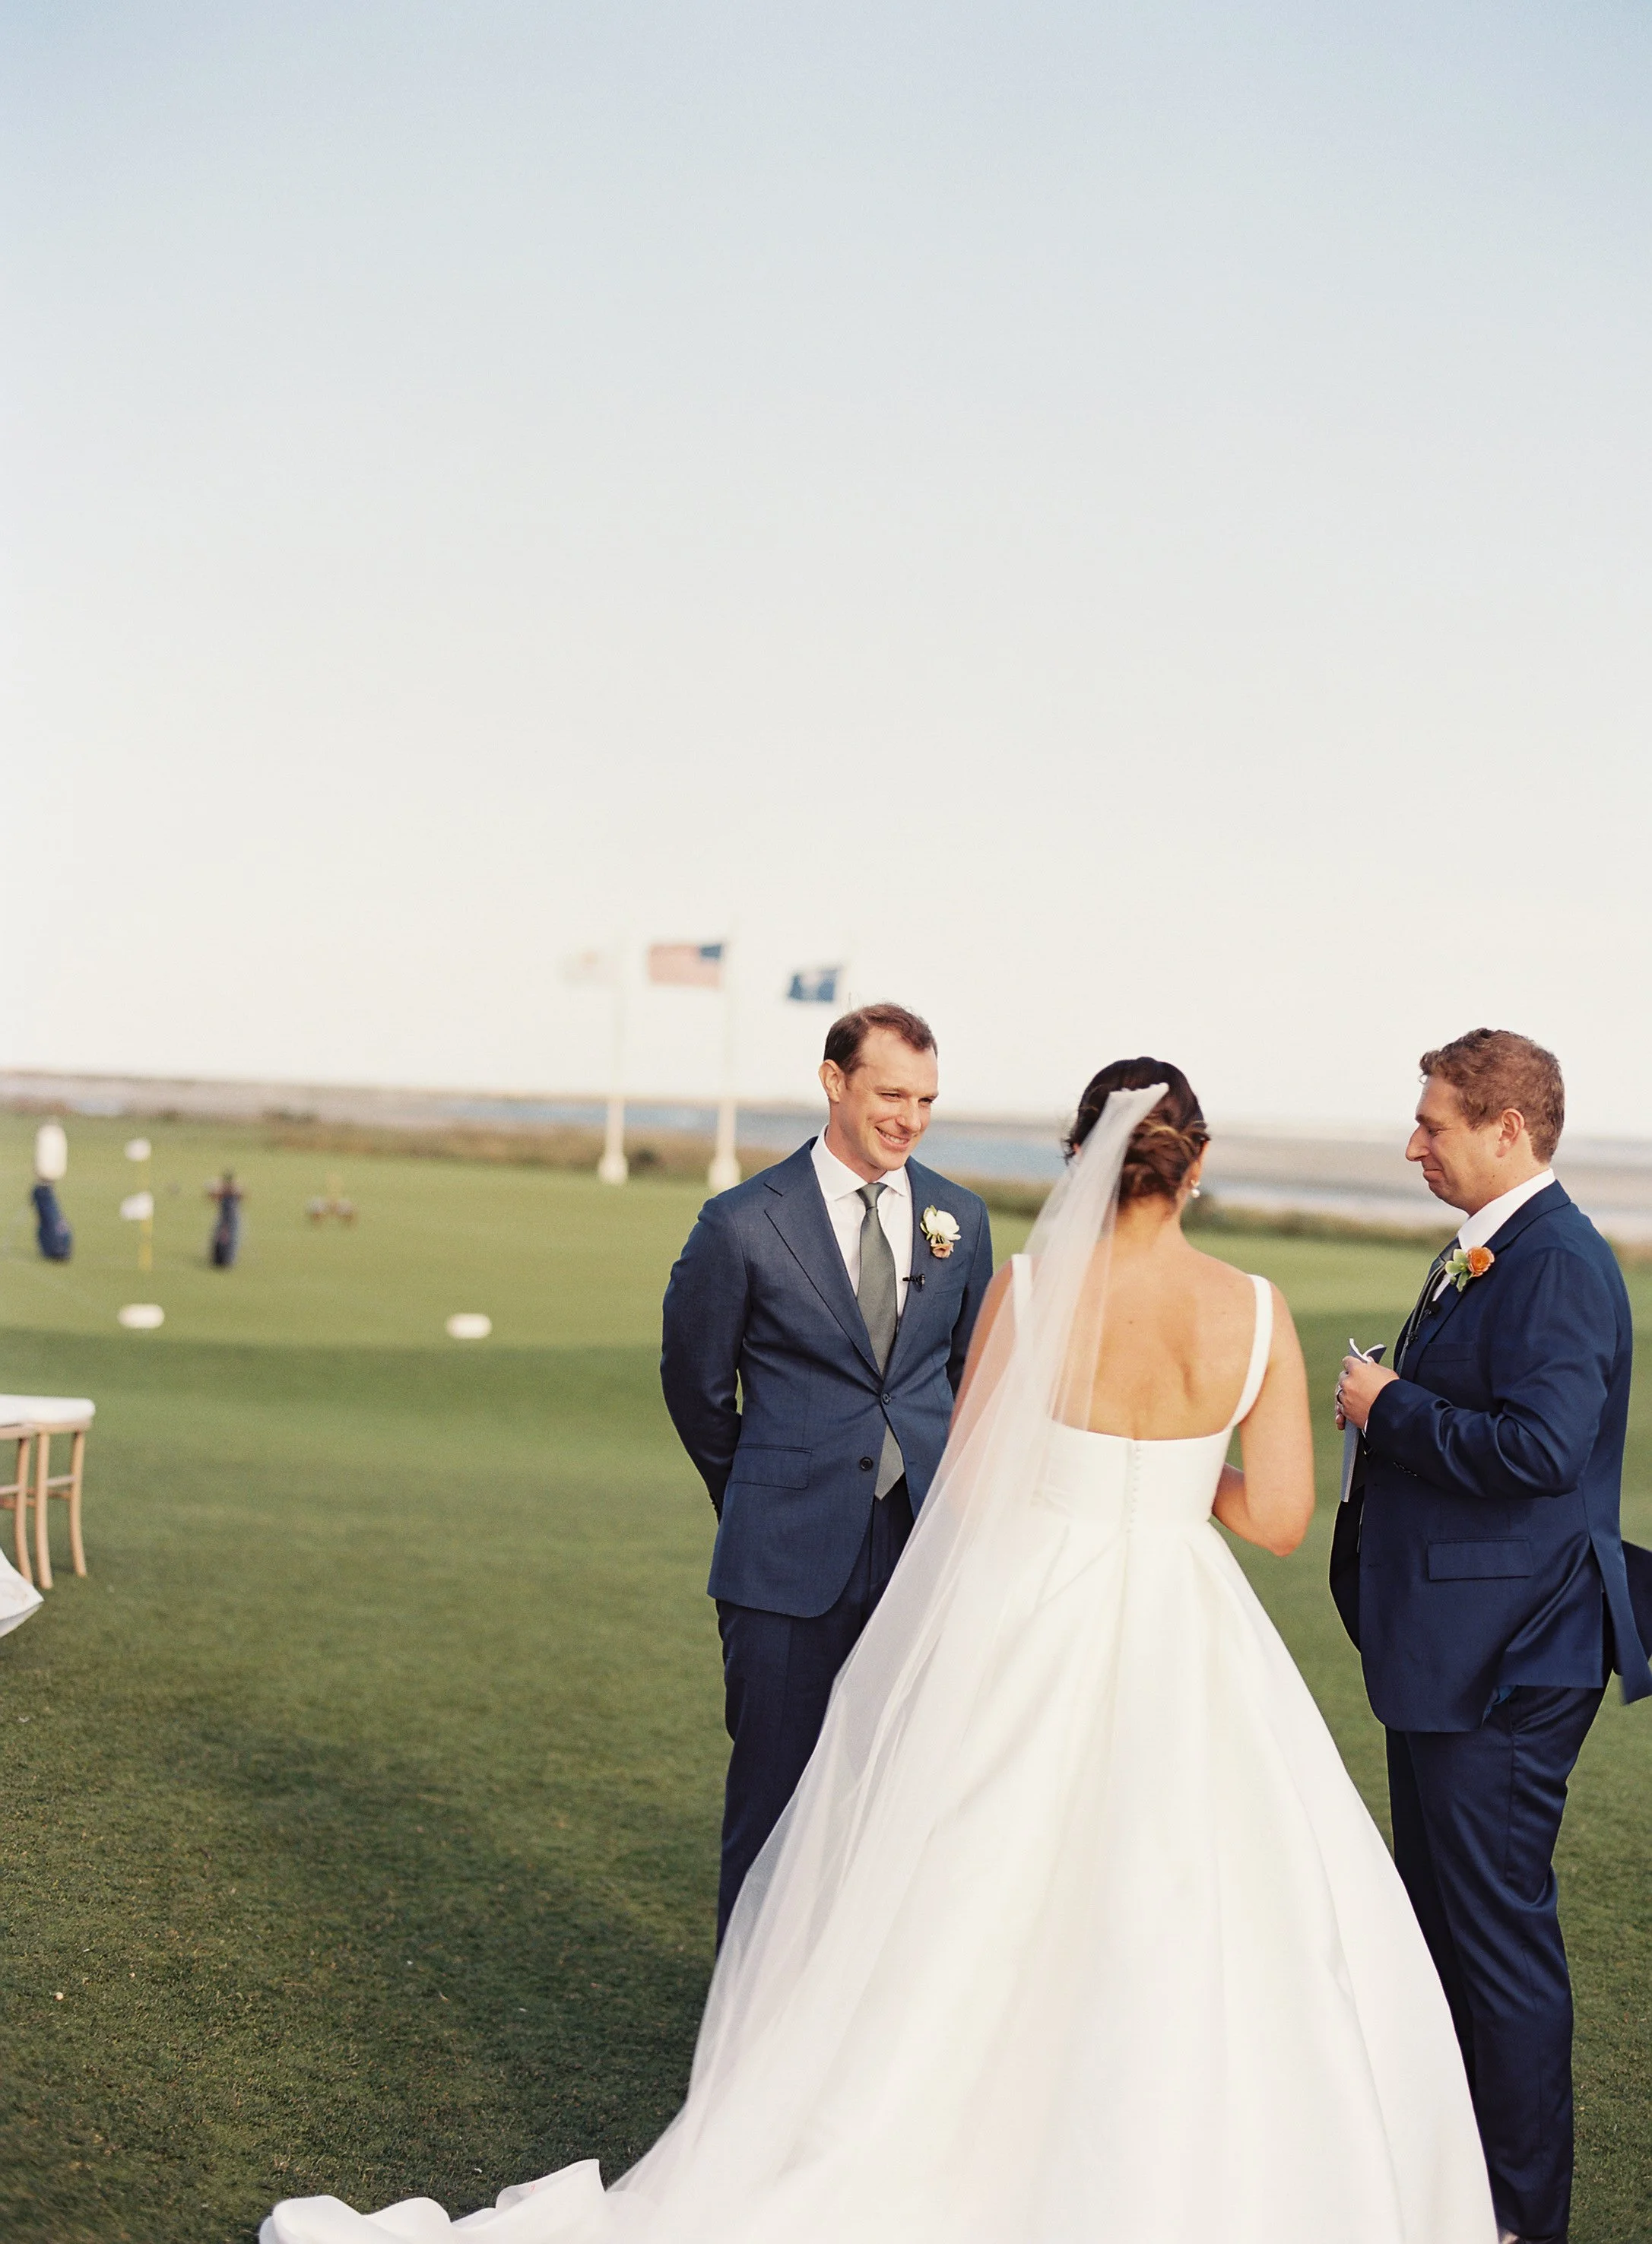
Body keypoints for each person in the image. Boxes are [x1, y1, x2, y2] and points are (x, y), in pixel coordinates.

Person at [267, 1060, 1496, 2244]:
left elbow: (968, 1473)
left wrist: (1084, 1463)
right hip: (1183, 1614)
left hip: (1034, 1609)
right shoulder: (1255, 1312)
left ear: (1083, 1156)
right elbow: (1278, 1518)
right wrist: (1175, 1476)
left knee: (967, 1882)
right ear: (1197, 1166)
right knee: (1199, 1895)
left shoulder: (1029, 1287)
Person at [1333, 1029, 1651, 2244]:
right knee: (1445, 1938)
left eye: (1433, 1124)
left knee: (1497, 1948)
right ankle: (1450, 2191)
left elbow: (1540, 1450)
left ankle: (1521, 2221)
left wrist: (1389, 1405)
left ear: (1505, 1129)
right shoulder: (1485, 1251)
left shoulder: (1557, 1260)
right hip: (1444, 1652)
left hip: (1509, 1660)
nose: (1413, 1142)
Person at [660, 1002, 993, 1939]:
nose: (910, 1118)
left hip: (922, 1557)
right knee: (774, 1806)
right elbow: (693, 1382)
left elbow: (969, 1380)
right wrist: (755, 1496)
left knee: (897, 1805)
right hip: (782, 1561)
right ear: (833, 1080)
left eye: (926, 1099)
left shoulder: (959, 1218)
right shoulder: (739, 1225)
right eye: (891, 1092)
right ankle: (748, 2044)